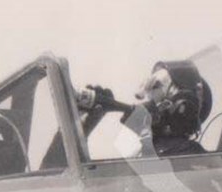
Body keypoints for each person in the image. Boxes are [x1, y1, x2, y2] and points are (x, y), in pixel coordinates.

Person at [78, 59, 212, 158]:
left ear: (183, 108)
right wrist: (85, 123)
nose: (148, 102)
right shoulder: (142, 153)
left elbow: (157, 184)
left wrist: (145, 138)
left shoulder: (189, 154)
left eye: (157, 89)